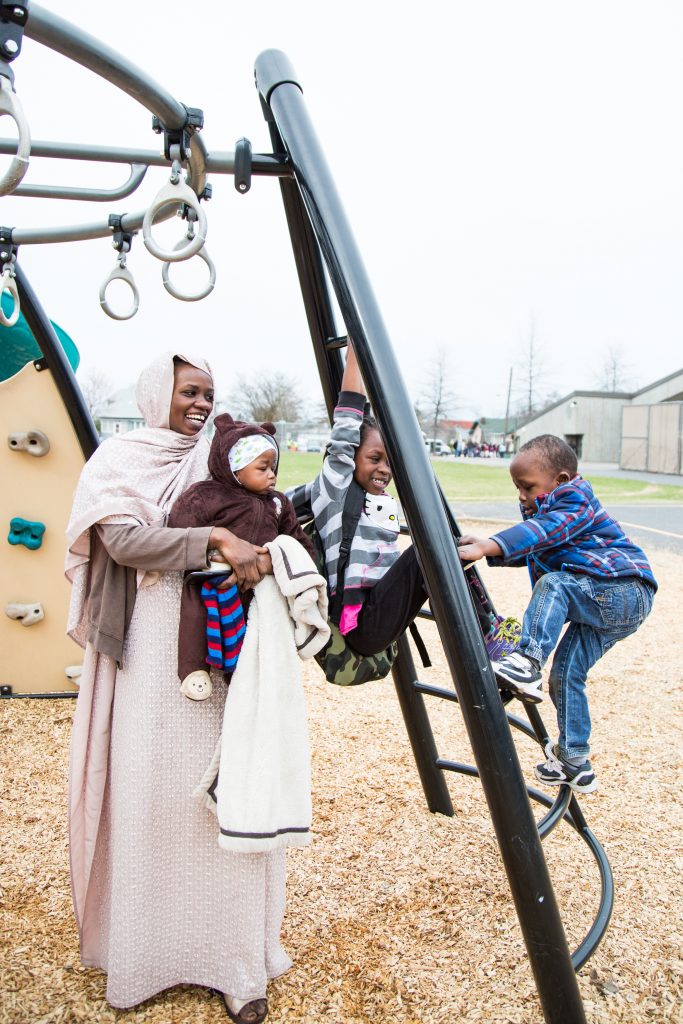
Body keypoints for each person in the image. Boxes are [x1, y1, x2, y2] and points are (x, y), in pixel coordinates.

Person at [66, 351, 285, 1024]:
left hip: (220, 656)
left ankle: (237, 967)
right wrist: (214, 537)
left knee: (227, 800)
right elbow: (127, 543)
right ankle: (143, 960)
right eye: (188, 390)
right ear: (157, 391)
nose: (199, 403)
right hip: (145, 658)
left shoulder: (222, 460)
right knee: (150, 801)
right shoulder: (119, 459)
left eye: (208, 393)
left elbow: (271, 517)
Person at [457, 434, 657, 794]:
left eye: (527, 486)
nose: (521, 495)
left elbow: (545, 531)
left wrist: (491, 545)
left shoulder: (576, 501)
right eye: (517, 487)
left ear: (560, 481)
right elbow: (536, 546)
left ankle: (527, 661)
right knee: (566, 674)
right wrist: (487, 548)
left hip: (624, 591)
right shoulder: (550, 512)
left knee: (555, 585)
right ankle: (575, 760)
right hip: (608, 599)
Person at [287, 342, 507, 662]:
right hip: (361, 625)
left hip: (379, 611)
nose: (384, 470)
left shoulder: (378, 499)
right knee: (431, 550)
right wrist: (354, 355)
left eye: (390, 463)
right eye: (374, 459)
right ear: (349, 460)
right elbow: (349, 422)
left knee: (449, 547)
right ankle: (490, 635)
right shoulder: (335, 491)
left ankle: (489, 636)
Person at [167, 412, 314, 699]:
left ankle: (242, 681)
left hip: (258, 586)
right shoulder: (208, 495)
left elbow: (299, 543)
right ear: (235, 468)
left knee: (251, 633)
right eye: (263, 468)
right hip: (212, 577)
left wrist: (274, 559)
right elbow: (179, 527)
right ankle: (193, 670)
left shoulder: (278, 503)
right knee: (195, 608)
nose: (272, 474)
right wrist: (210, 551)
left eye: (274, 467)